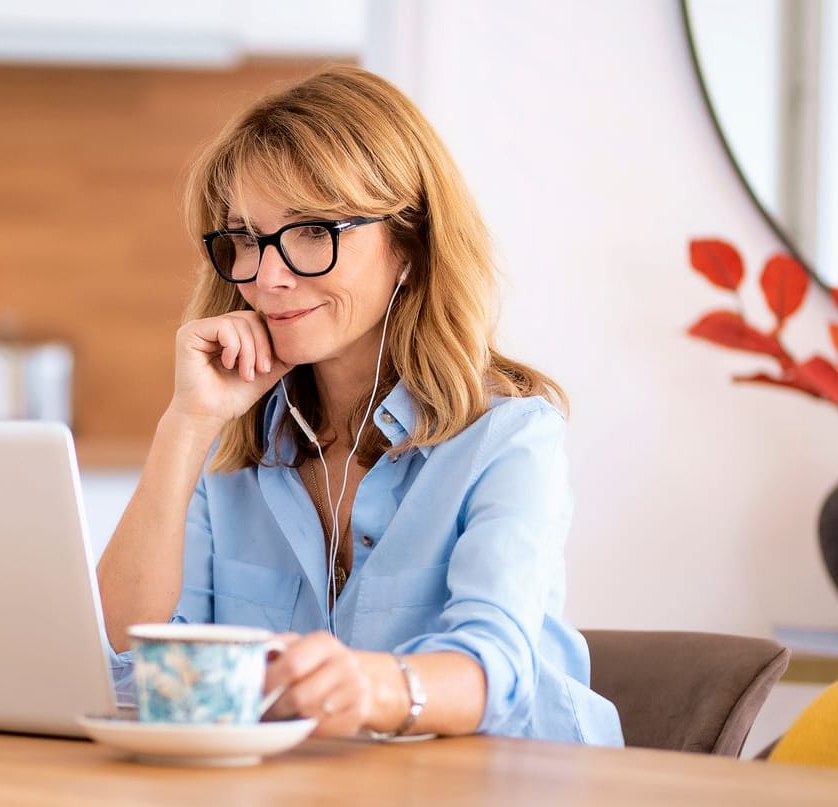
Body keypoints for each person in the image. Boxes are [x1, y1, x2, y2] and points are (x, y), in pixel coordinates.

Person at [95, 64, 623, 745]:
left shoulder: (510, 437)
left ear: (409, 241)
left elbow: (497, 668)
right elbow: (130, 665)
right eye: (247, 238)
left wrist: (371, 684)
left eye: (313, 231)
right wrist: (186, 425)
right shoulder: (233, 449)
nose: (268, 275)